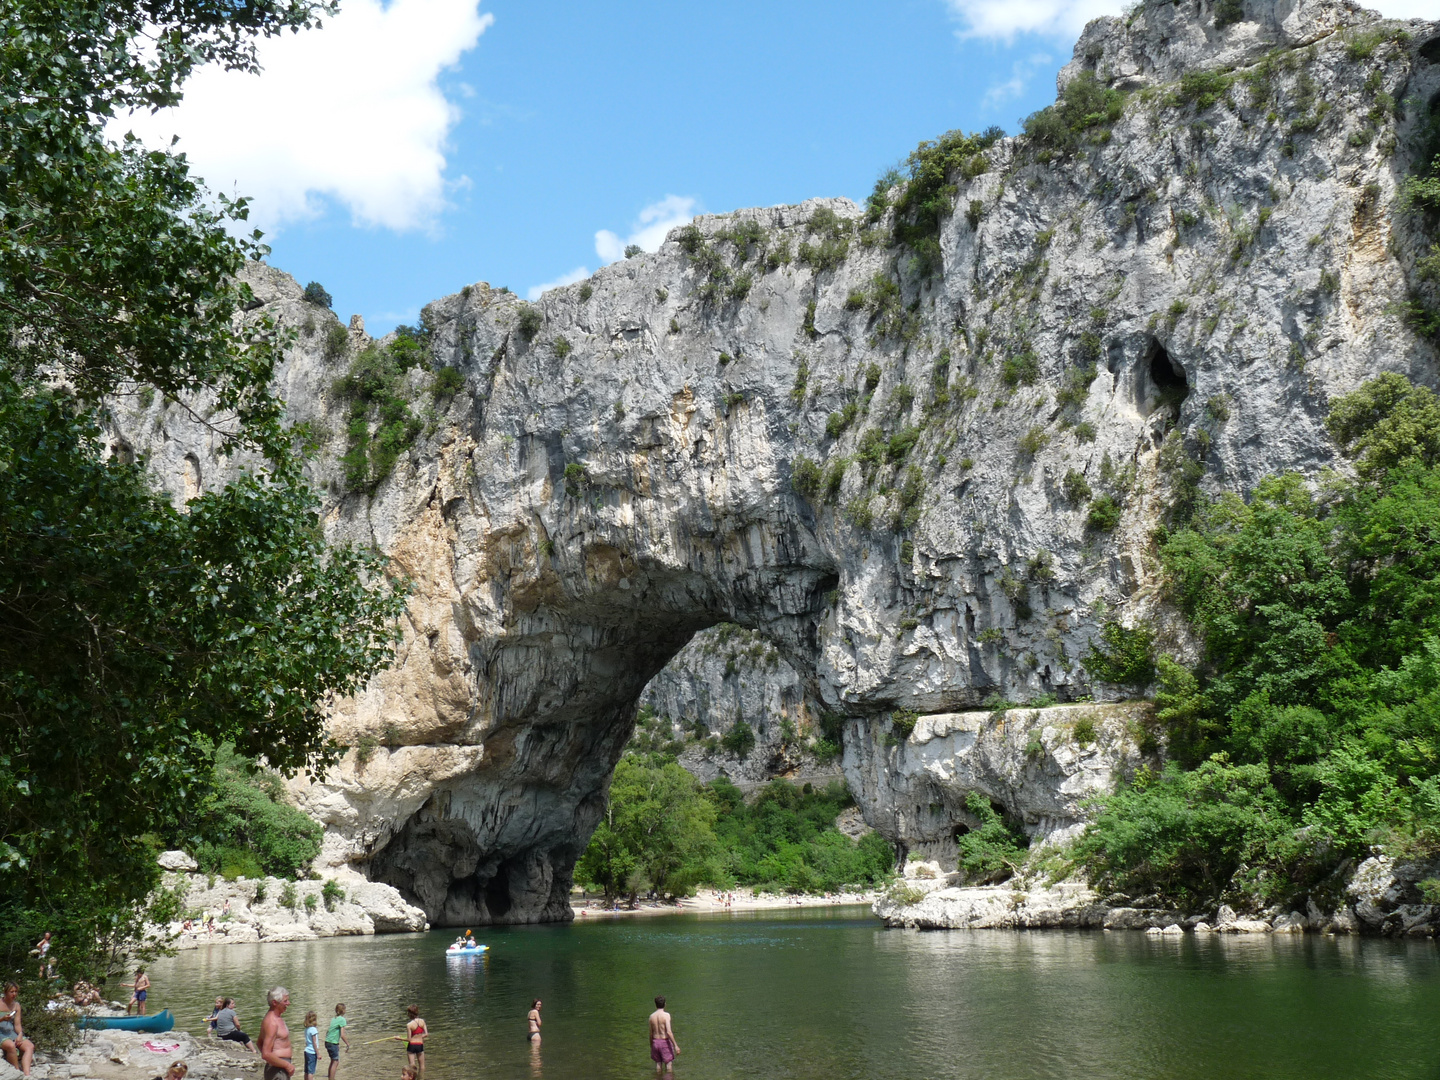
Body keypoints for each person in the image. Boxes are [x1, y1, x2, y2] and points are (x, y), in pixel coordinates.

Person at [258, 986, 293, 1080]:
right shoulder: (272, 1022)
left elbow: (259, 1043)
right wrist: (286, 1065)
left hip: (279, 1067)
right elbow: (265, 1053)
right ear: (274, 1002)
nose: (288, 1003)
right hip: (278, 1070)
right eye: (285, 1001)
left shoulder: (276, 1019)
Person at [0, 983, 34, 1077]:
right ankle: (17, 1072)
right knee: (11, 1046)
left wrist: (19, 1034)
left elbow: (17, 1024)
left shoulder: (16, 1005)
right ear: (6, 992)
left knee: (29, 1046)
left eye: (15, 992)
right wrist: (2, 1019)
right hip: (0, 1033)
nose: (14, 994)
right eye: (11, 992)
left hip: (11, 1032)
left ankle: (27, 1074)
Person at [648, 996, 679, 1074]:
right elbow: (669, 1032)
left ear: (655, 1005)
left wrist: (651, 1045)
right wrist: (676, 1045)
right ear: (665, 1004)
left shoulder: (651, 1017)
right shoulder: (666, 1015)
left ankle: (658, 1077)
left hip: (655, 1041)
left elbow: (651, 1033)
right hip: (664, 1041)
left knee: (658, 1063)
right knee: (668, 1064)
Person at [395, 1005, 426, 1080]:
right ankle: (421, 1078)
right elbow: (426, 1034)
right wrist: (418, 1037)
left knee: (412, 1066)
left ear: (410, 1014)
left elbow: (409, 1039)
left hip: (412, 1046)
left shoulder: (409, 1025)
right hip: (420, 1045)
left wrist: (399, 1039)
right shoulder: (422, 1021)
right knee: (422, 1066)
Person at [324, 1004, 349, 1080]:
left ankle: (329, 1077)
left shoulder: (334, 1018)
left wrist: (336, 1043)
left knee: (332, 1060)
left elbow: (328, 1031)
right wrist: (347, 1044)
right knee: (336, 1062)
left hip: (327, 1042)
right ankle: (332, 1078)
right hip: (332, 1043)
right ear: (343, 1010)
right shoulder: (342, 1020)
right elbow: (342, 1035)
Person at [302, 1011, 319, 1080]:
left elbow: (307, 1042)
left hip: (306, 1051)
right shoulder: (314, 1030)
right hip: (312, 1052)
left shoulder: (307, 1029)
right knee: (311, 1072)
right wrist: (318, 1053)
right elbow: (314, 1043)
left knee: (306, 1071)